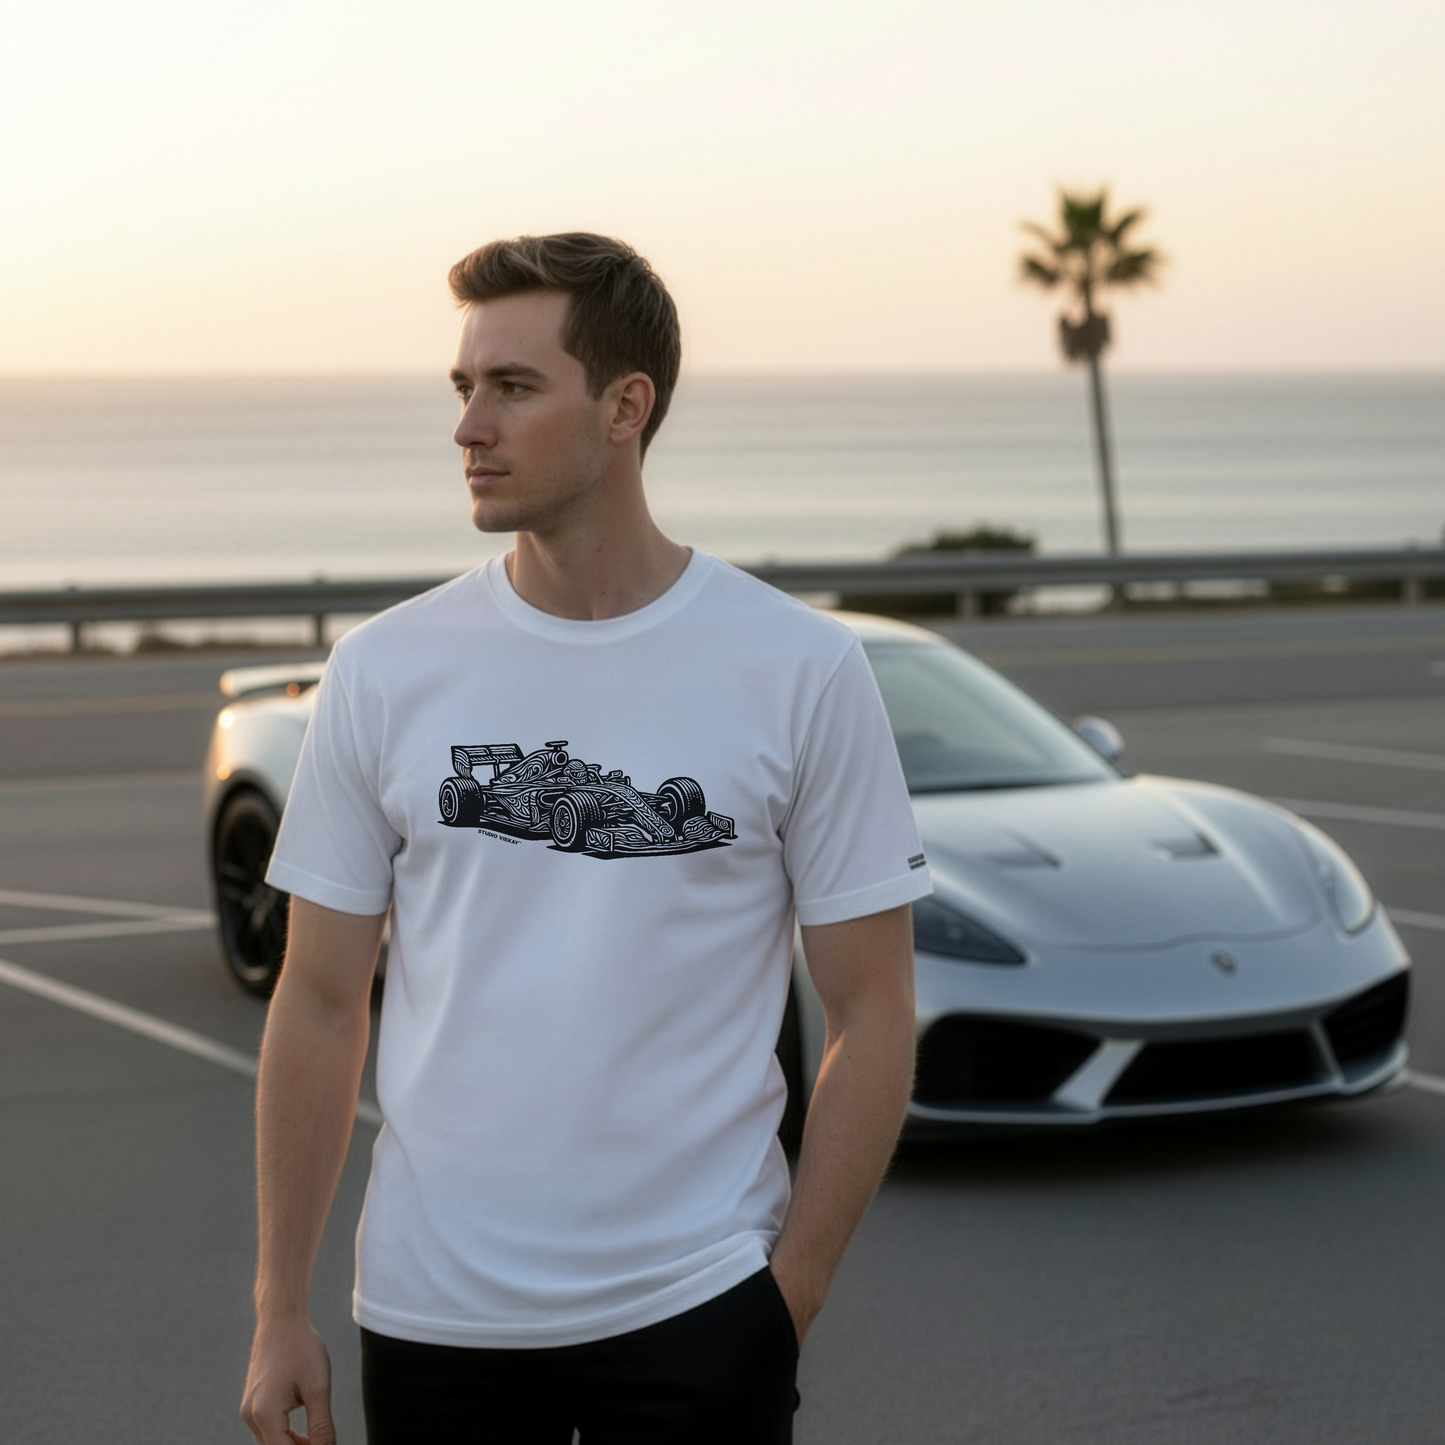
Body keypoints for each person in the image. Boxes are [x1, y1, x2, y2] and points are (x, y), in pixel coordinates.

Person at [240, 232, 931, 1444]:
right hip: (431, 1317)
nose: (468, 426)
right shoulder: (382, 671)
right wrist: (276, 1305)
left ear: (625, 407)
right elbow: (317, 1001)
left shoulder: (799, 668)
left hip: (698, 1309)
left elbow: (872, 1011)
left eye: (511, 387)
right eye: (462, 389)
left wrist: (788, 1294)